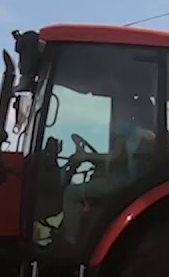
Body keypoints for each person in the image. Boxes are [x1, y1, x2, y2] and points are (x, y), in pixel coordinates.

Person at [60, 96, 158, 245]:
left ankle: (70, 243)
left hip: (123, 185)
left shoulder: (128, 128)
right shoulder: (154, 131)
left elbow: (116, 157)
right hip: (139, 183)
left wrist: (85, 155)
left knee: (71, 193)